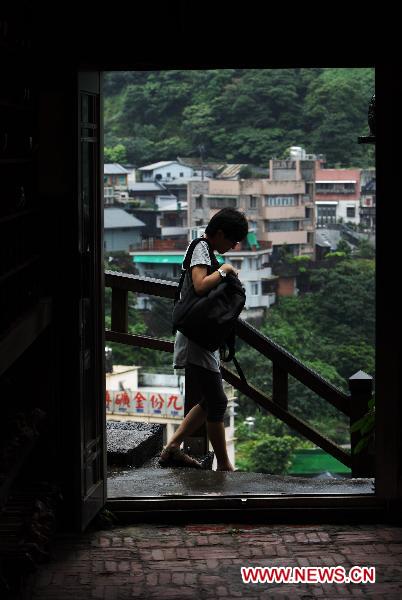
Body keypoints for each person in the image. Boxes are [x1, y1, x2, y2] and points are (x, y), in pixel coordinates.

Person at [159, 207, 249, 471]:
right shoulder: (201, 245)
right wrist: (225, 271)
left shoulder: (208, 251)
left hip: (200, 337)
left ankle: (172, 448)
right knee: (217, 401)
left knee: (211, 399)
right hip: (195, 337)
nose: (233, 246)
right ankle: (224, 465)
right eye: (232, 241)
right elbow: (199, 285)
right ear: (219, 233)